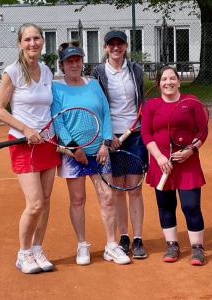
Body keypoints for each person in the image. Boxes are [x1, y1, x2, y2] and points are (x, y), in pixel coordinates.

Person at [51, 40, 131, 265]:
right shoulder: (56, 88)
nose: (74, 64)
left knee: (107, 197)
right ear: (62, 64)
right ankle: (82, 245)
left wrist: (106, 143)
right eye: (69, 61)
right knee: (78, 199)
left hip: (100, 152)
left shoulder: (94, 84)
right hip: (73, 155)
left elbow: (106, 113)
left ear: (82, 62)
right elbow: (59, 122)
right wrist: (75, 148)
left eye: (78, 60)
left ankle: (111, 245)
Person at [0, 23, 61, 274]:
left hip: (48, 144)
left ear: (43, 41)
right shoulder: (12, 72)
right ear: (20, 43)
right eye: (28, 39)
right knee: (34, 204)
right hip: (23, 144)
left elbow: (48, 108)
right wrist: (26, 130)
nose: (33, 43)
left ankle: (38, 249)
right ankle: (23, 253)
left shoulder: (46, 71)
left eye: (37, 38)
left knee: (45, 201)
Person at [141, 66, 209, 266]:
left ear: (179, 81)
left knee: (191, 205)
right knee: (166, 205)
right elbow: (147, 134)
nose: (168, 82)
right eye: (164, 79)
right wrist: (160, 158)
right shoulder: (151, 106)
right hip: (160, 163)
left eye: (172, 78)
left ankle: (197, 248)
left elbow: (202, 132)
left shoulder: (191, 102)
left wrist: (191, 149)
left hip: (188, 163)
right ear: (158, 83)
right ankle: (172, 245)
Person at [91, 30, 148, 259]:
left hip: (134, 135)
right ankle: (123, 237)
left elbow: (141, 102)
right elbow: (98, 106)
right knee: (117, 190)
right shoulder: (98, 72)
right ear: (105, 47)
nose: (116, 48)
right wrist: (107, 137)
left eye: (120, 44)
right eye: (111, 44)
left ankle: (138, 238)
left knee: (134, 189)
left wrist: (138, 127)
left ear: (126, 46)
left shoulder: (136, 70)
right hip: (110, 138)